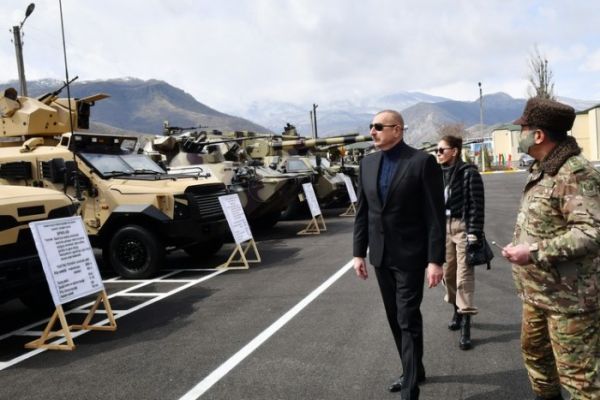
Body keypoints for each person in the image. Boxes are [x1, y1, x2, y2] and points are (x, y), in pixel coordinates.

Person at [501, 97, 600, 400]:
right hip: (539, 293)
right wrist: (521, 245)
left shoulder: (575, 173)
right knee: (537, 359)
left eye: (523, 129)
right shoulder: (543, 169)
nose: (520, 134)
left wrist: (533, 252)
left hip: (570, 300)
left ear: (538, 135)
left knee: (579, 379)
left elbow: (591, 231)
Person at [353, 110, 445, 400]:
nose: (373, 131)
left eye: (379, 126)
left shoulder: (421, 162)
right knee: (394, 317)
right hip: (381, 256)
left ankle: (410, 389)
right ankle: (414, 368)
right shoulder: (367, 164)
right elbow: (363, 212)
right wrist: (358, 253)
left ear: (398, 130)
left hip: (411, 256)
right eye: (371, 126)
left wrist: (435, 260)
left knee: (407, 318)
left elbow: (434, 216)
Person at [435, 135, 485, 350]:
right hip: (443, 228)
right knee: (447, 274)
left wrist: (474, 232)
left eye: (442, 150)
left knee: (464, 276)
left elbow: (477, 204)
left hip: (462, 227)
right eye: (436, 150)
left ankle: (465, 323)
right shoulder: (437, 174)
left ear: (454, 151)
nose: (438, 154)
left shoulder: (469, 173)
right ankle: (456, 309)